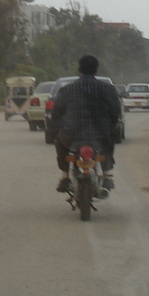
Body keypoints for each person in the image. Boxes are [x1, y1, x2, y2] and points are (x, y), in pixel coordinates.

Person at [51, 55, 122, 193]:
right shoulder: (107, 89)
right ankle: (107, 174)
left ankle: (65, 177)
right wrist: (110, 126)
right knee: (108, 143)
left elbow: (56, 113)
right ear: (96, 71)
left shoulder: (67, 89)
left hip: (71, 135)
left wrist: (60, 126)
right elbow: (116, 111)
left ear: (79, 70)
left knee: (60, 143)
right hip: (100, 135)